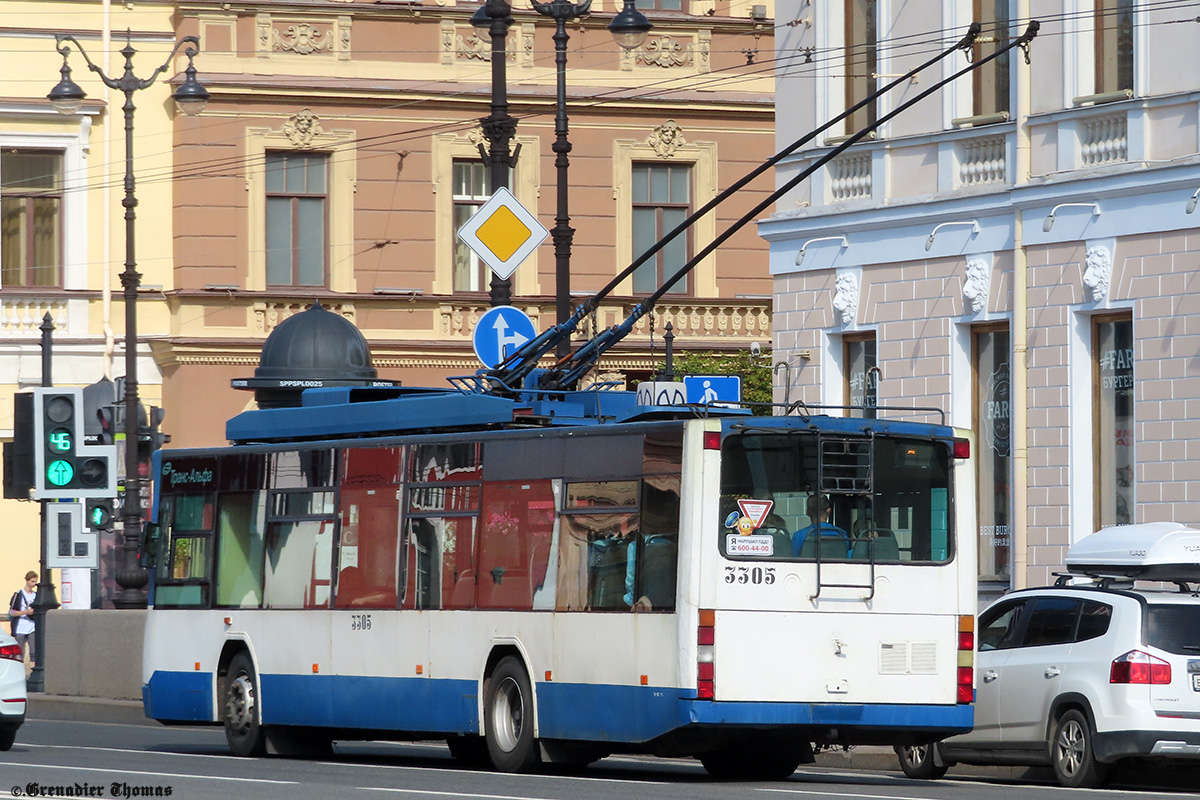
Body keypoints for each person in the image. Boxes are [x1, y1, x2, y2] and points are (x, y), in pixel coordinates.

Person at [9, 571, 38, 674]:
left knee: (34, 652)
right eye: (32, 581)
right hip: (20, 627)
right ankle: (18, 673)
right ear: (27, 580)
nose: (34, 584)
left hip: (32, 626)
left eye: (35, 581)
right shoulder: (18, 594)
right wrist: (25, 612)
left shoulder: (36, 595)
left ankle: (32, 673)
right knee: (19, 652)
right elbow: (11, 612)